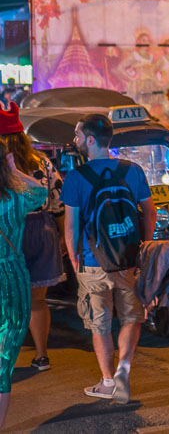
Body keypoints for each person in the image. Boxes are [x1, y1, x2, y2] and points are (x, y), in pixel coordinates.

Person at [61, 114, 156, 402]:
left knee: (99, 323)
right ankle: (123, 370)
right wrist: (143, 245)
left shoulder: (76, 178)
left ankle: (107, 383)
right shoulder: (133, 170)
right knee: (130, 318)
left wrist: (76, 262)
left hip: (93, 261)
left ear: (90, 140)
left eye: (77, 135)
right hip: (128, 258)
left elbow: (71, 227)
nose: (75, 141)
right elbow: (149, 212)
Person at [1, 103, 65, 372]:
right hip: (41, 230)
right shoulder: (41, 161)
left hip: (8, 233)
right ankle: (41, 355)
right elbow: (57, 200)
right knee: (38, 300)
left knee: (5, 300)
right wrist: (61, 236)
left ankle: (6, 358)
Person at [0, 141, 48, 429]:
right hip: (11, 279)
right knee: (2, 365)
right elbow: (41, 192)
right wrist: (14, 168)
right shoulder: (15, 198)